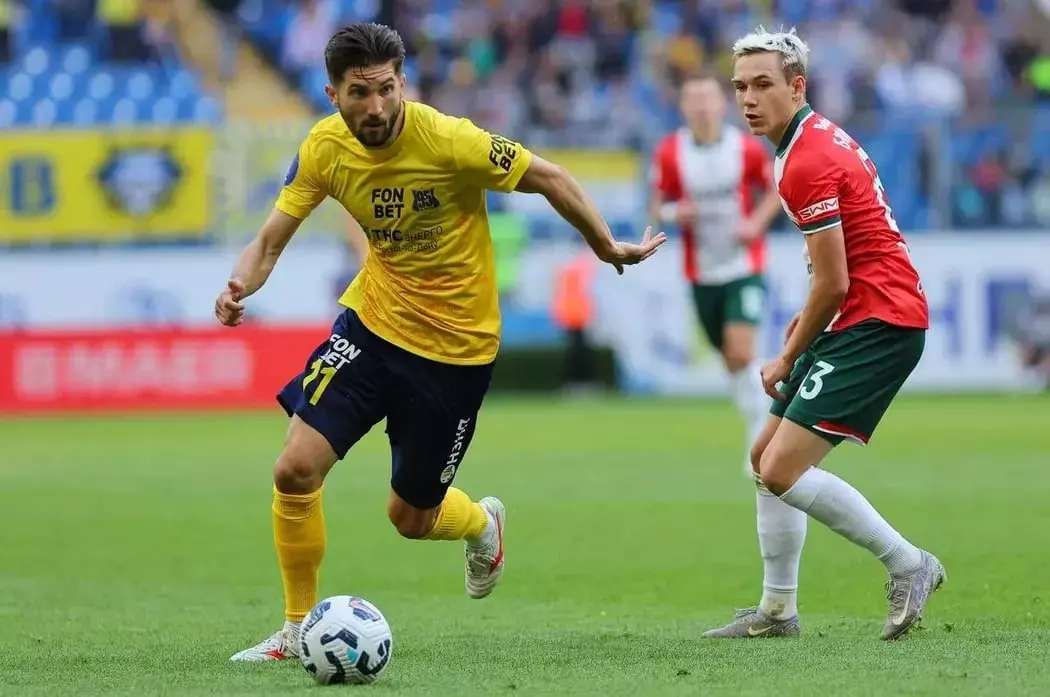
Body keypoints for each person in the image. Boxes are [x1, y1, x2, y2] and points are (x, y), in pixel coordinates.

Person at [217, 22, 665, 662]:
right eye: (359, 93)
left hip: (455, 353)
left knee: (411, 518)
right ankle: (293, 631)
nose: (376, 107)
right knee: (293, 470)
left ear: (403, 83)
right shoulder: (324, 148)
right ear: (332, 95)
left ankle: (481, 522)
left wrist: (605, 246)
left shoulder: (451, 139)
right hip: (372, 328)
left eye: (386, 89)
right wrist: (240, 283)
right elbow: (268, 241)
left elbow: (551, 176)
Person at [703, 28, 945, 641]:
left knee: (781, 469)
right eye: (740, 87)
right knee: (762, 460)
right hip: (854, 313)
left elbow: (835, 281)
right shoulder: (807, 141)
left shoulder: (806, 159)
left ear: (797, 86)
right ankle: (777, 610)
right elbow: (836, 271)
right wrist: (806, 322)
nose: (748, 99)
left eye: (763, 84)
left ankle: (909, 563)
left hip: (879, 320)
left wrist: (787, 354)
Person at [649, 73, 781, 478]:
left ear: (723, 105)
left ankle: (763, 434)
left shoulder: (745, 148)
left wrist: (755, 223)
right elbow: (657, 208)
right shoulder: (671, 153)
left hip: (744, 267)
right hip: (702, 272)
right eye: (695, 100)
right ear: (684, 108)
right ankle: (758, 420)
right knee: (730, 360)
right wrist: (676, 213)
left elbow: (775, 191)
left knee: (741, 351)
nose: (703, 107)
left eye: (709, 99)